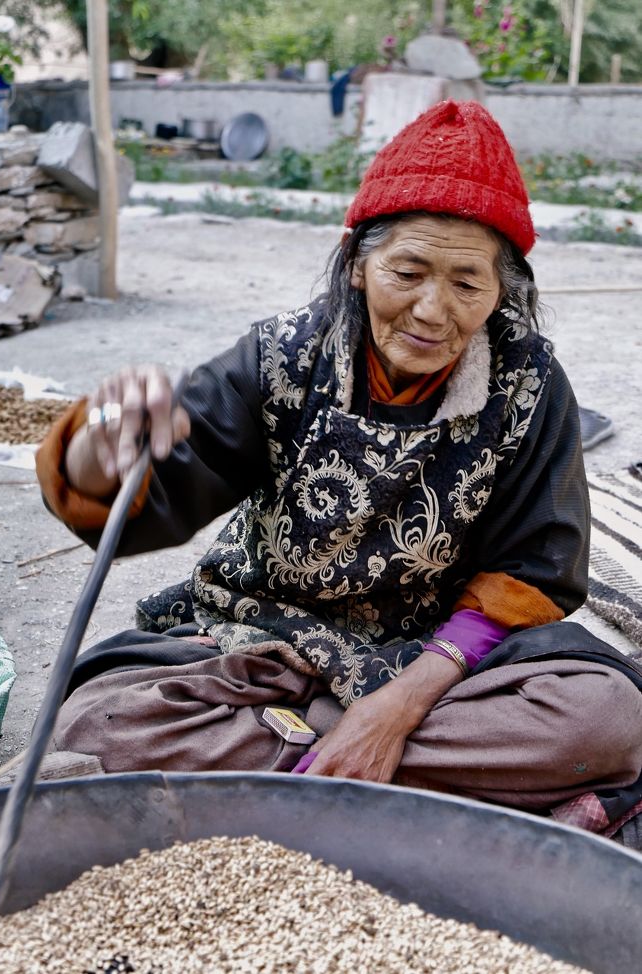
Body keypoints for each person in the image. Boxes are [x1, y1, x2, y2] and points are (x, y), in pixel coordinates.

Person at [37, 100, 642, 843]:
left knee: (606, 720)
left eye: (467, 283)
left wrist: (397, 707)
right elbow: (159, 488)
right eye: (409, 271)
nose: (432, 309)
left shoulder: (528, 382)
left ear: (501, 289)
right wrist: (98, 449)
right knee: (99, 721)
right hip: (266, 643)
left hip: (441, 658)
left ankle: (295, 764)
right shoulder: (280, 358)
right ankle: (373, 770)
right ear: (358, 264)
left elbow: (534, 568)